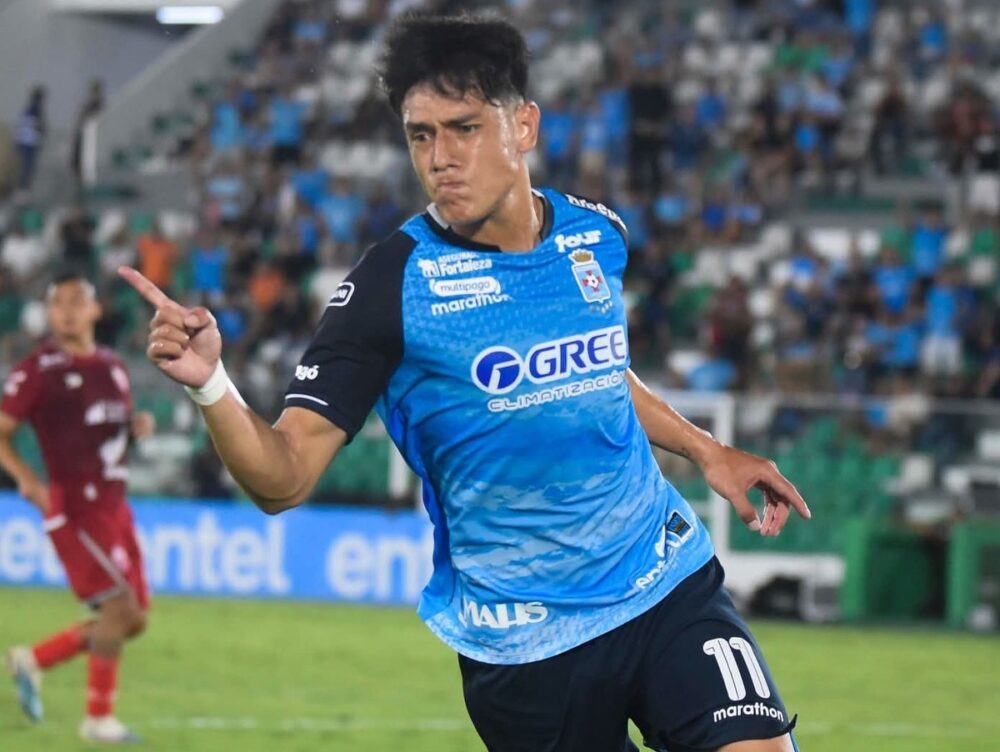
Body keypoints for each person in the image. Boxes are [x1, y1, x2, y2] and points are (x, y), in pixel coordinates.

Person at [121, 12, 809, 751]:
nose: (441, 158)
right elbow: (282, 479)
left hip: (663, 578)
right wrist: (211, 384)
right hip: (527, 644)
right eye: (421, 136)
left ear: (524, 126)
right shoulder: (391, 286)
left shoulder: (596, 234)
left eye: (464, 128)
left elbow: (595, 369)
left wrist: (708, 450)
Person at [1, 271, 154, 744]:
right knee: (118, 607)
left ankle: (33, 660)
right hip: (75, 506)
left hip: (114, 504)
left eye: (76, 302)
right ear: (49, 314)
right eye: (58, 304)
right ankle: (97, 719)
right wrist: (28, 481)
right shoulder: (38, 369)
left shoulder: (113, 366)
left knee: (134, 618)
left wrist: (136, 429)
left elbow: (110, 433)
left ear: (95, 310)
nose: (66, 312)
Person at [14, 85, 47, 193]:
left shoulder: (28, 108)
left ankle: (21, 188)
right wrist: (44, 129)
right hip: (30, 143)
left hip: (22, 142)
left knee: (23, 167)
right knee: (27, 168)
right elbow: (37, 125)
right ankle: (23, 189)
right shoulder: (36, 109)